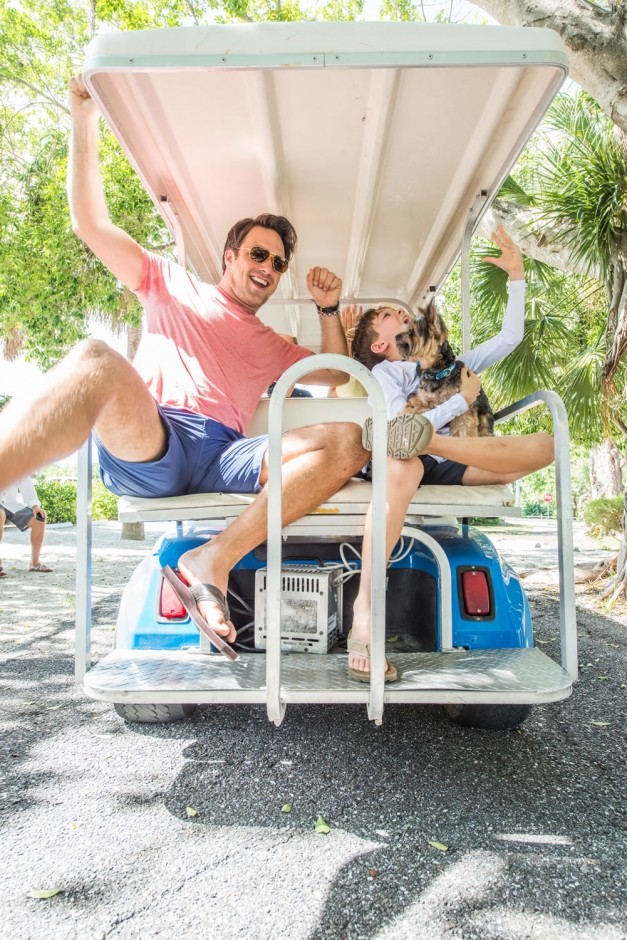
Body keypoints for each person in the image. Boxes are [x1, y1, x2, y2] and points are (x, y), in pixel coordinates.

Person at [346, 227, 555, 682]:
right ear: (380, 345)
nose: (401, 312)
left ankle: (436, 443)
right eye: (389, 315)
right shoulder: (385, 376)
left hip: (441, 455)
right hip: (405, 458)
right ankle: (367, 608)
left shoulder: (450, 364)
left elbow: (509, 338)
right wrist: (462, 401)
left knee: (545, 446)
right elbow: (398, 429)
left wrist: (516, 276)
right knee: (405, 453)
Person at [0, 477, 53, 575]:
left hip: (11, 504)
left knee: (38, 518)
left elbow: (27, 487)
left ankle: (35, 563)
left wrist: (35, 506)